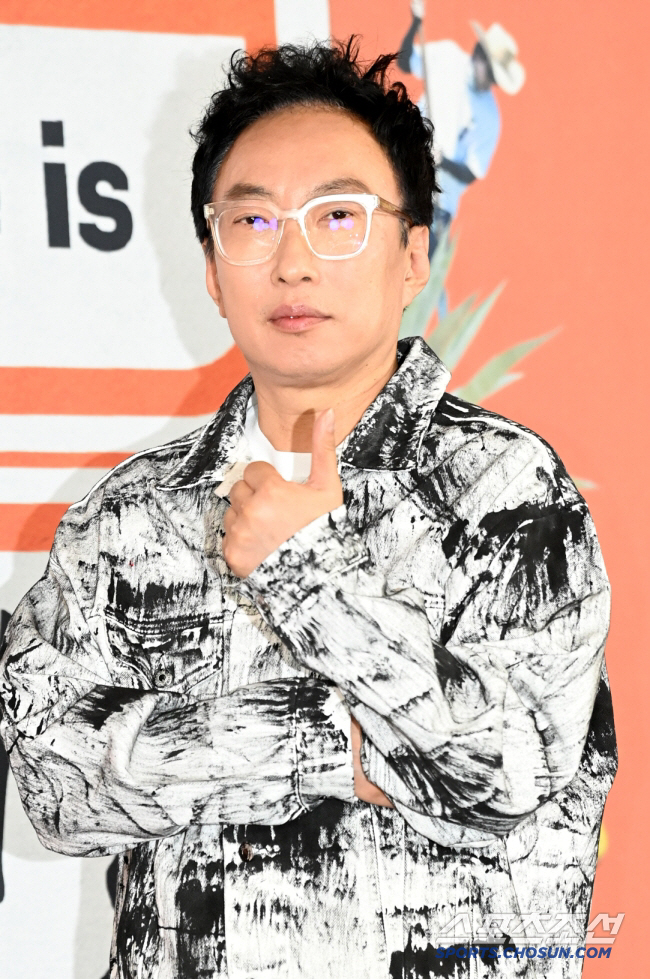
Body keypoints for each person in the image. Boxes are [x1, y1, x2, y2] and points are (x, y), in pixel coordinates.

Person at [0, 37, 616, 979]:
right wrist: (333, 743)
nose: (292, 261)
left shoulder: (508, 491)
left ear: (413, 254)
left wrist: (302, 573)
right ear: (213, 266)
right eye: (253, 221)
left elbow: (508, 769)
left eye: (338, 217)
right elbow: (58, 787)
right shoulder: (126, 518)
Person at [398, 1, 525, 264]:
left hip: (438, 205)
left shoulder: (490, 117)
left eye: (496, 79)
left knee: (416, 272)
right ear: (479, 54)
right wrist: (415, 24)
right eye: (491, 73)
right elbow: (405, 61)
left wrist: (443, 161)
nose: (491, 82)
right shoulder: (447, 57)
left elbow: (472, 171)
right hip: (403, 174)